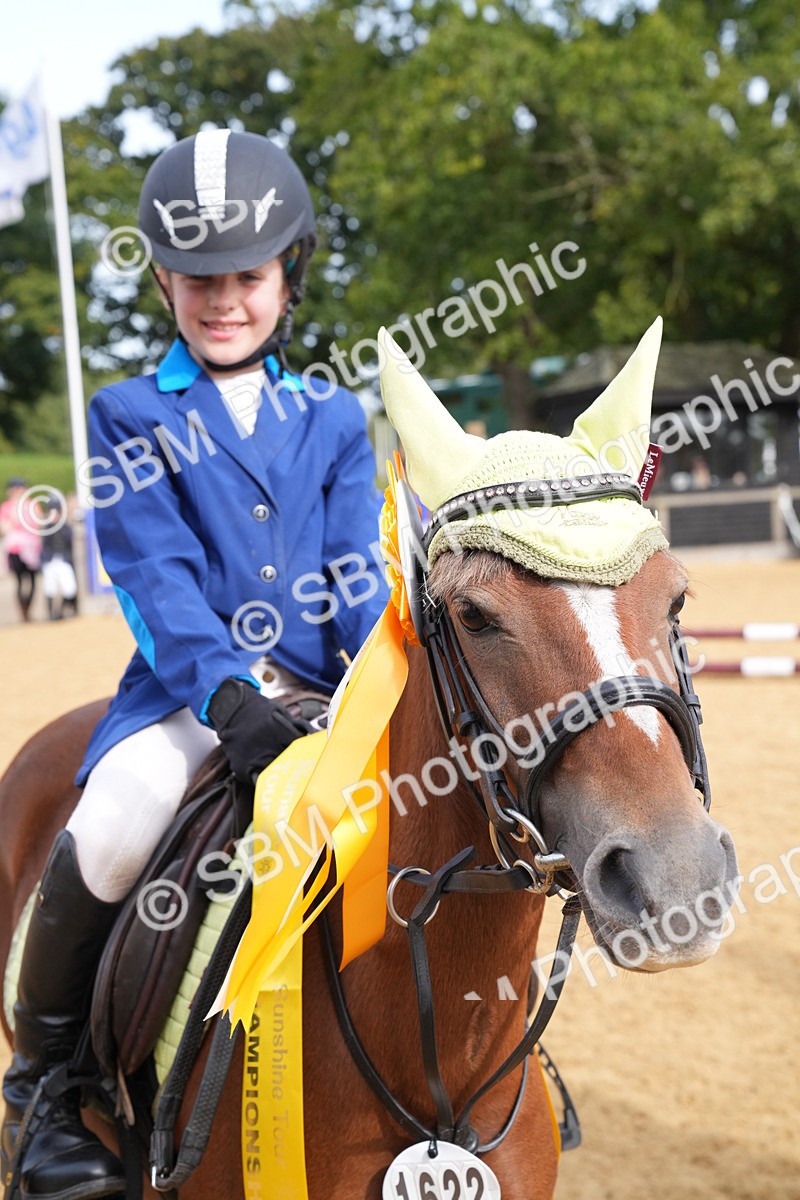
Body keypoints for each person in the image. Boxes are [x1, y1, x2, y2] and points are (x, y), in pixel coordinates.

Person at [1, 129, 388, 1200]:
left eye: (248, 278)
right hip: (192, 699)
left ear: (287, 278)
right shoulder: (129, 413)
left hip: (329, 692)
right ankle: (41, 1090)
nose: (225, 300)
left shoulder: (331, 415)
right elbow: (156, 581)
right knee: (120, 814)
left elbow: (357, 568)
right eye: (199, 279)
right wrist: (230, 694)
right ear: (164, 281)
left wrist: (374, 679)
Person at [0, 478, 42, 623]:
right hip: (15, 550)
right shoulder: (6, 507)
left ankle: (28, 609)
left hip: (32, 549)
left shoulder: (33, 505)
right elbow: (5, 529)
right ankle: (22, 612)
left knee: (32, 581)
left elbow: (39, 524)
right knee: (19, 581)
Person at [39, 497, 79, 620]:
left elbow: (70, 542)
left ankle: (61, 610)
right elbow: (44, 545)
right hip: (50, 560)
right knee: (49, 588)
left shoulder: (66, 527)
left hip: (63, 560)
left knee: (69, 588)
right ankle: (51, 614)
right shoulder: (47, 528)